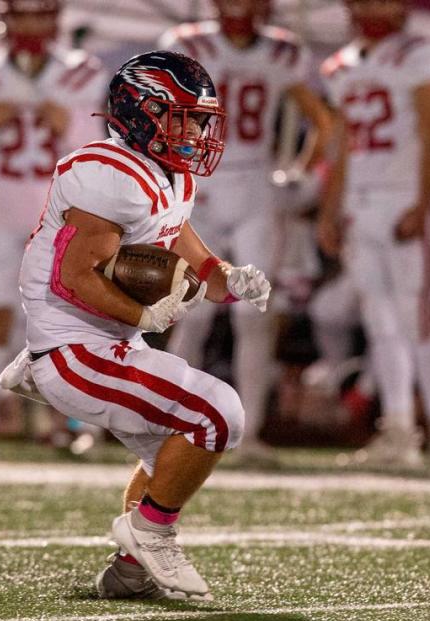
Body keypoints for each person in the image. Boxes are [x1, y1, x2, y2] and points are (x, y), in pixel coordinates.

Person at [1, 51, 271, 601]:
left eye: (200, 119)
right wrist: (145, 314)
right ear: (143, 110)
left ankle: (129, 569)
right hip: (73, 345)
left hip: (108, 341)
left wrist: (222, 275)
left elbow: (174, 229)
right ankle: (150, 531)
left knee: (171, 453)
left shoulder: (166, 171)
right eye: (184, 116)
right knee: (217, 413)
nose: (196, 129)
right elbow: (72, 277)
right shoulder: (107, 173)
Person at [160, 0, 332, 463]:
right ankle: (178, 425)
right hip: (203, 185)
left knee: (253, 313)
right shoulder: (186, 45)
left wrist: (299, 170)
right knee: (190, 310)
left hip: (254, 185)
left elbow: (324, 122)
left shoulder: (282, 52)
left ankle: (247, 428)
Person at [317, 0, 430, 467]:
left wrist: (423, 202)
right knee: (379, 320)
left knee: (414, 319)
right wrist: (330, 211)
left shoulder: (422, 53)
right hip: (362, 201)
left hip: (402, 198)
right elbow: (341, 147)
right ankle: (398, 427)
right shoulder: (339, 65)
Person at [0, 0, 105, 457]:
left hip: (59, 208)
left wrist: (66, 125)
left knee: (64, 313)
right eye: (21, 14)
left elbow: (93, 151)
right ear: (5, 19)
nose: (30, 25)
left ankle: (67, 418)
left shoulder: (80, 70)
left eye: (39, 14)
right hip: (2, 202)